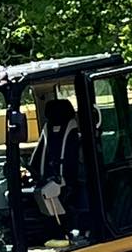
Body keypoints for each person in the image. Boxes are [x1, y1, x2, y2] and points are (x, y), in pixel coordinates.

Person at [25, 95, 88, 235]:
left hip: (65, 184)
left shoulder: (73, 133)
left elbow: (75, 167)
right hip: (46, 181)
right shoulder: (47, 131)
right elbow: (35, 162)